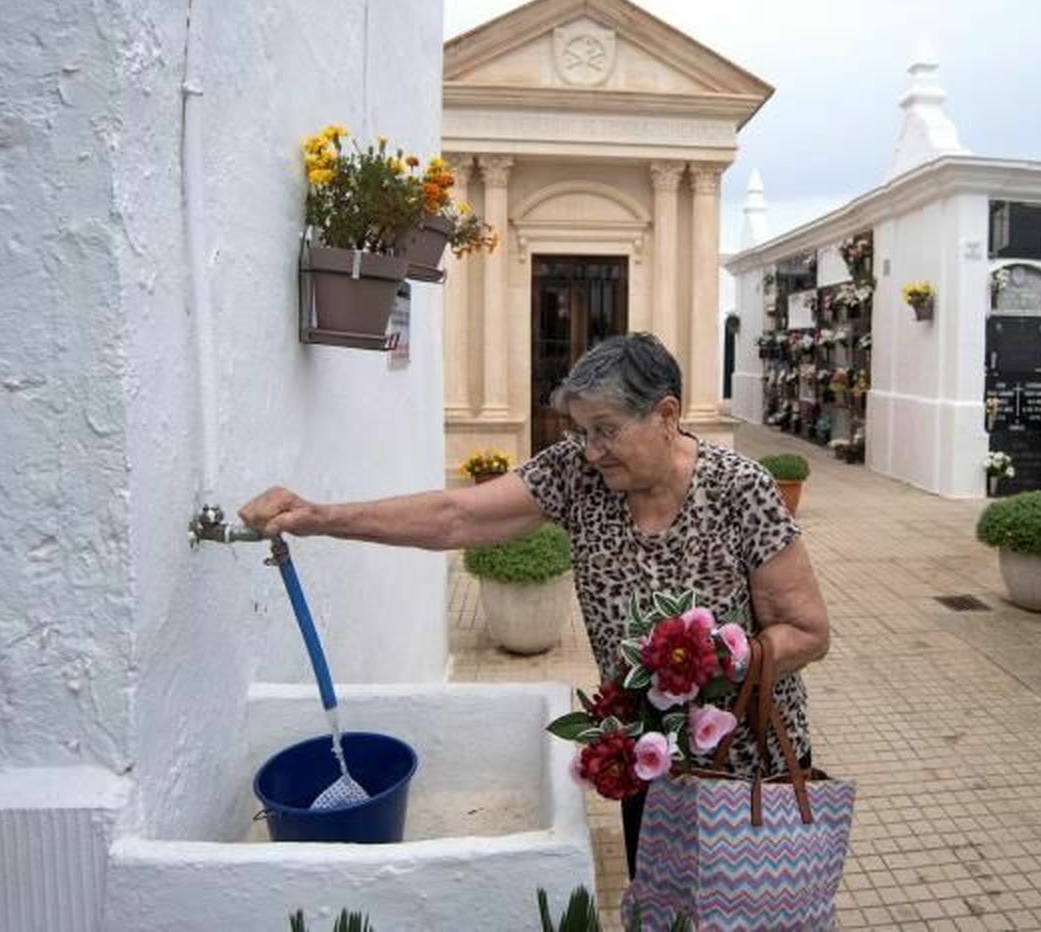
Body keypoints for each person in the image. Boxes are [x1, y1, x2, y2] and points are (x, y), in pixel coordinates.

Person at [240, 331, 830, 876]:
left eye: (606, 429)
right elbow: (455, 517)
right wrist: (321, 518)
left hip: (751, 763)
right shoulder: (576, 476)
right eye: (580, 430)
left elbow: (807, 631)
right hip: (650, 761)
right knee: (662, 909)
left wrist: (711, 664)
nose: (592, 450)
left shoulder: (739, 488)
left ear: (666, 415)